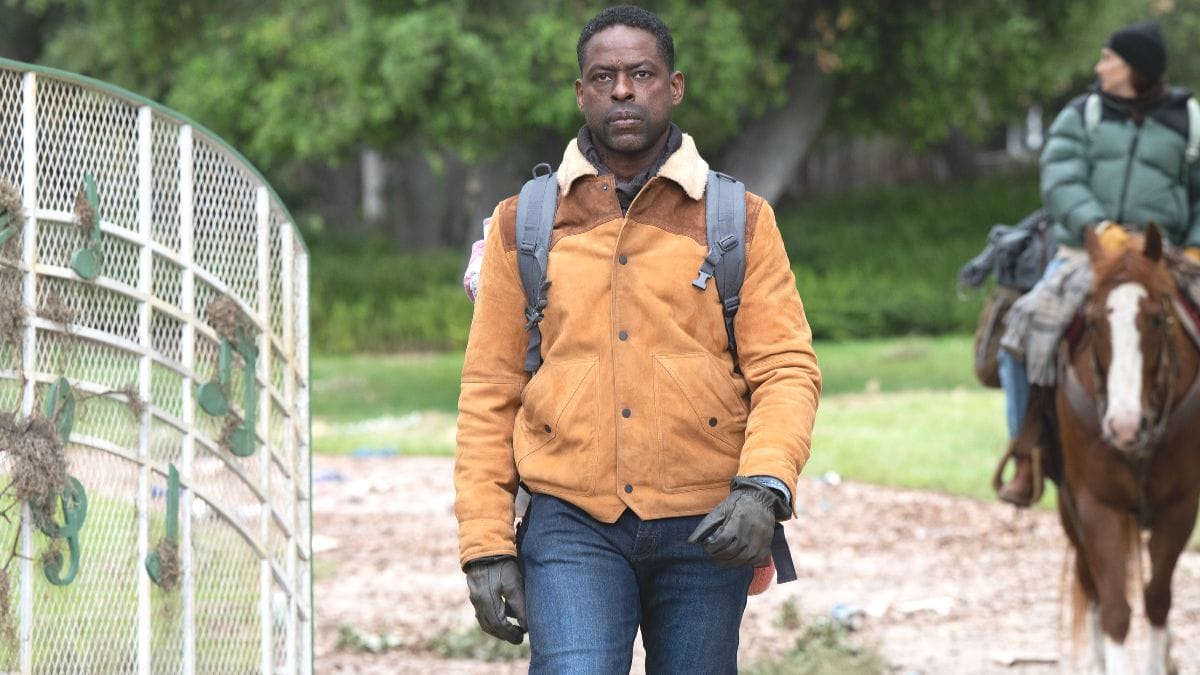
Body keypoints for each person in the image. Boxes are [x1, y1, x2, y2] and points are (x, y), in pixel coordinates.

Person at [453, 5, 821, 673]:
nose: (622, 90)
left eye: (641, 73)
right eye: (603, 76)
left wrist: (763, 487)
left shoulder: (738, 218)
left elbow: (786, 369)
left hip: (709, 522)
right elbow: (489, 390)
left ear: (673, 86)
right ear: (581, 92)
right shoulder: (524, 222)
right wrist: (485, 543)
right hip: (571, 521)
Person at [996, 19, 1200, 506]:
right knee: (1020, 335)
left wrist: (1195, 244)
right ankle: (1026, 458)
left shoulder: (1188, 118)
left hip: (1163, 257)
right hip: (1085, 254)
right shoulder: (1081, 114)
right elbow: (1061, 179)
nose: (1099, 66)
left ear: (1135, 68)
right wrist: (1098, 226)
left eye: (1109, 58)